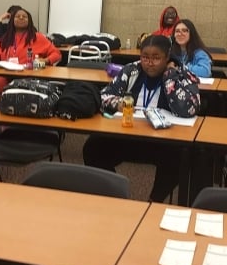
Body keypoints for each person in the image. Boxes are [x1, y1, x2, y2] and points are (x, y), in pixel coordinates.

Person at [83, 35, 201, 202]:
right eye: (145, 57)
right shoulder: (131, 70)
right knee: (93, 146)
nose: (149, 63)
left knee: (179, 156)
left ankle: (154, 201)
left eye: (156, 58)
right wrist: (118, 104)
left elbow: (189, 109)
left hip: (164, 141)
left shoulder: (181, 74)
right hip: (129, 134)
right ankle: (113, 193)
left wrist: (169, 77)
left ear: (167, 57)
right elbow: (104, 95)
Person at [0, 8, 62, 96]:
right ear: (12, 21)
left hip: (30, 76)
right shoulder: (5, 39)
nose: (21, 18)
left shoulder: (38, 38)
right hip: (6, 75)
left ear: (29, 21)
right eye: (17, 16)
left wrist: (46, 60)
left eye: (24, 17)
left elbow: (57, 54)